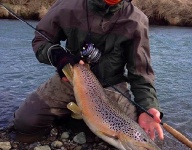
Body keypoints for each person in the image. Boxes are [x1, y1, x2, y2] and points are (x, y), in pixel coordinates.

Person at [14, 0, 164, 142]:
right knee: (25, 122)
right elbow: (41, 40)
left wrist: (148, 107)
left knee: (141, 135)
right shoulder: (67, 5)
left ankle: (76, 120)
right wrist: (58, 56)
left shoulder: (137, 20)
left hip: (112, 88)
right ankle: (77, 119)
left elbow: (140, 74)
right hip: (71, 80)